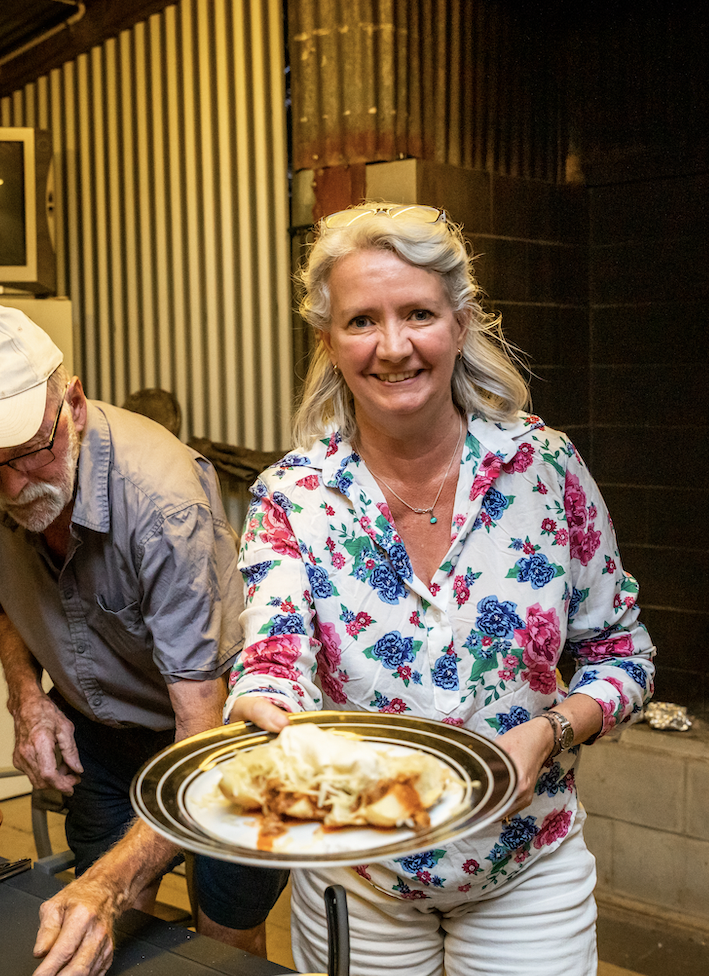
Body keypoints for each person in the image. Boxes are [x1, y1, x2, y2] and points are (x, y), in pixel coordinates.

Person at [225, 203, 656, 976]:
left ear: (459, 324)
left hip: (524, 870)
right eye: (362, 321)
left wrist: (549, 733)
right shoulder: (291, 496)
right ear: (328, 342)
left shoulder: (544, 469)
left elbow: (624, 655)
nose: (393, 347)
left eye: (418, 313)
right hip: (358, 875)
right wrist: (261, 704)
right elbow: (273, 654)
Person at [0, 303, 288, 976]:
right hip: (103, 731)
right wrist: (27, 702)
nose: (11, 486)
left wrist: (108, 884)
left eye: (32, 454)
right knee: (104, 939)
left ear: (76, 406)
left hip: (214, 741)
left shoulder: (166, 505)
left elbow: (198, 739)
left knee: (220, 947)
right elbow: (2, 599)